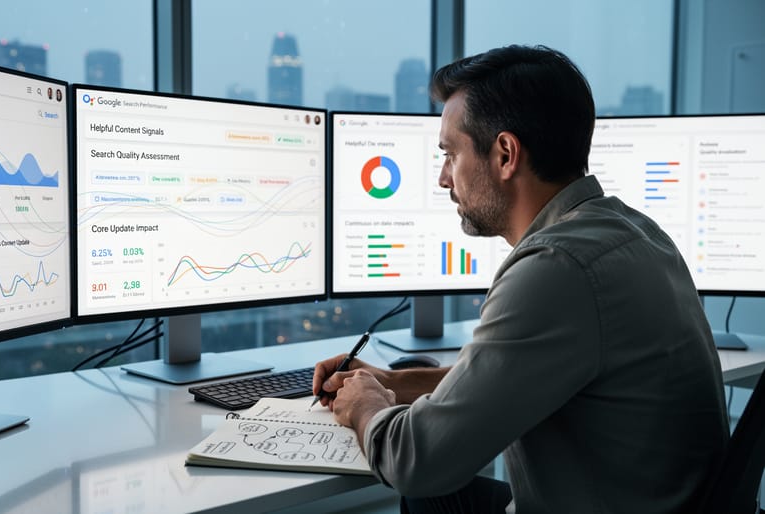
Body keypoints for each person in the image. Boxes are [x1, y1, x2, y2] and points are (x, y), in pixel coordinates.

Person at [312, 45, 728, 514]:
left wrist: (368, 403)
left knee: (425, 487)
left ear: (506, 154)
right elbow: (506, 377)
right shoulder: (636, 231)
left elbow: (417, 462)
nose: (443, 178)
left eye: (450, 154)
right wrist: (391, 381)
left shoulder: (556, 268)